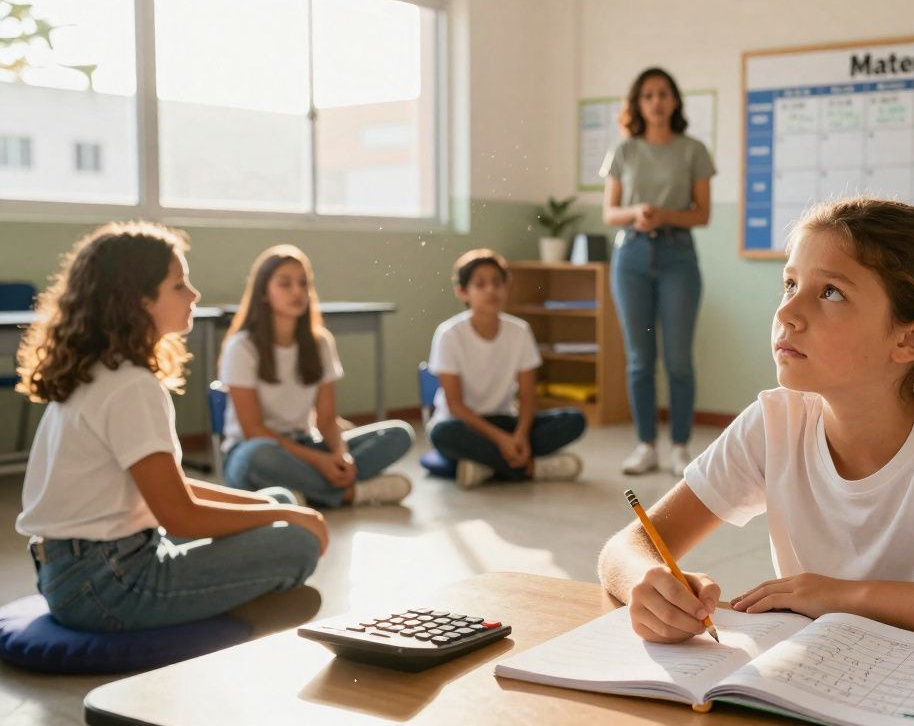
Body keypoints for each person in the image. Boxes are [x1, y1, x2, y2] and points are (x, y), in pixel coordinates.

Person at [597, 197, 914, 656]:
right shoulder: (775, 422)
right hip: (823, 680)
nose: (787, 313)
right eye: (790, 285)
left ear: (911, 338)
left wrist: (845, 596)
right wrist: (649, 582)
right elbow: (625, 547)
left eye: (831, 292)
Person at [15, 222, 325, 631]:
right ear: (139, 300)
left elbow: (169, 489)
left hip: (76, 572)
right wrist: (285, 519)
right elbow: (180, 516)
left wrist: (274, 508)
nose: (194, 295)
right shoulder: (130, 385)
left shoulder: (100, 371)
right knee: (296, 543)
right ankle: (233, 608)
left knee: (279, 499)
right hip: (108, 585)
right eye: (180, 285)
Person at [220, 245, 414, 507]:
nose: (297, 291)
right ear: (263, 292)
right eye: (285, 284)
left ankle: (300, 492)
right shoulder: (242, 346)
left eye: (304, 283)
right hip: (252, 451)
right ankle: (353, 494)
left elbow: (326, 419)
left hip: (306, 444)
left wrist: (339, 455)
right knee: (259, 457)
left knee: (399, 434)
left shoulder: (320, 342)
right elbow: (254, 432)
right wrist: (320, 462)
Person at [601, 67, 716, 478]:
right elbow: (610, 212)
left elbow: (702, 214)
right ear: (637, 102)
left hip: (677, 257)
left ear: (675, 100)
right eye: (648, 94)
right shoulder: (624, 151)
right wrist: (636, 213)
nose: (656, 101)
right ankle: (646, 445)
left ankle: (681, 447)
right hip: (630, 257)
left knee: (679, 359)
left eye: (664, 93)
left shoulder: (693, 150)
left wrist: (663, 215)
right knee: (638, 360)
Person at [427, 249, 586, 489]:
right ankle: (532, 469)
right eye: (480, 284)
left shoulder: (520, 331)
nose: (491, 290)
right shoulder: (448, 335)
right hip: (466, 426)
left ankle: (487, 466)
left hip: (505, 421)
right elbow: (456, 406)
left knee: (574, 420)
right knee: (442, 434)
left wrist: (520, 436)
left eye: (497, 282)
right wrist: (502, 441)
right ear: (462, 292)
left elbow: (528, 396)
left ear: (507, 286)